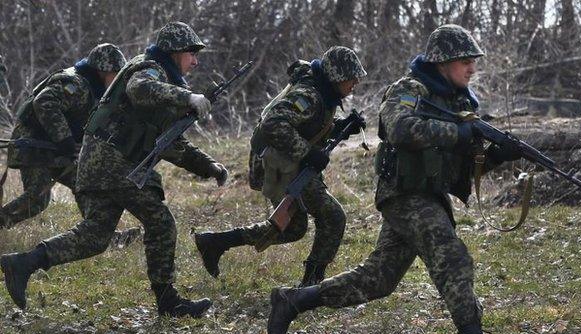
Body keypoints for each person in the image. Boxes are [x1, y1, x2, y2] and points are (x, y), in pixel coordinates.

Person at [267, 24, 521, 334]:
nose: (472, 67)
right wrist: (458, 134)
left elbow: (463, 162)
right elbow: (399, 127)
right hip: (403, 194)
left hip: (428, 195)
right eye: (464, 60)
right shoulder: (409, 89)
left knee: (378, 279)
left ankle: (292, 301)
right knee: (452, 256)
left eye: (474, 60)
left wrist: (496, 156)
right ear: (442, 62)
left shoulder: (459, 102)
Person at [1, 22, 228, 318]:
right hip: (113, 164)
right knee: (161, 222)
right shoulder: (150, 69)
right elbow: (139, 88)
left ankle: (23, 263)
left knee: (95, 236)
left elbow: (171, 143)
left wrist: (208, 165)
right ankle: (168, 301)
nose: (195, 61)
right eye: (191, 53)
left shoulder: (165, 83)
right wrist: (188, 98)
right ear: (174, 52)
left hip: (98, 165)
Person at [194, 46, 367, 287]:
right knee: (333, 216)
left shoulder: (322, 93)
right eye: (351, 78)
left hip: (284, 160)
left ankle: (215, 242)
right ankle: (311, 286)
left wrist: (342, 127)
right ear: (336, 76)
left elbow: (308, 125)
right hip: (278, 163)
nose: (355, 83)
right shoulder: (309, 94)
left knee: (292, 228)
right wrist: (307, 153)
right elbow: (273, 124)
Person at [0, 44, 129, 230]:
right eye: (116, 73)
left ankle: (101, 234)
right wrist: (65, 140)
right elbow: (44, 102)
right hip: (34, 144)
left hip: (55, 147)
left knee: (86, 184)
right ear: (103, 70)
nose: (118, 80)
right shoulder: (76, 84)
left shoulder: (96, 90)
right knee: (37, 199)